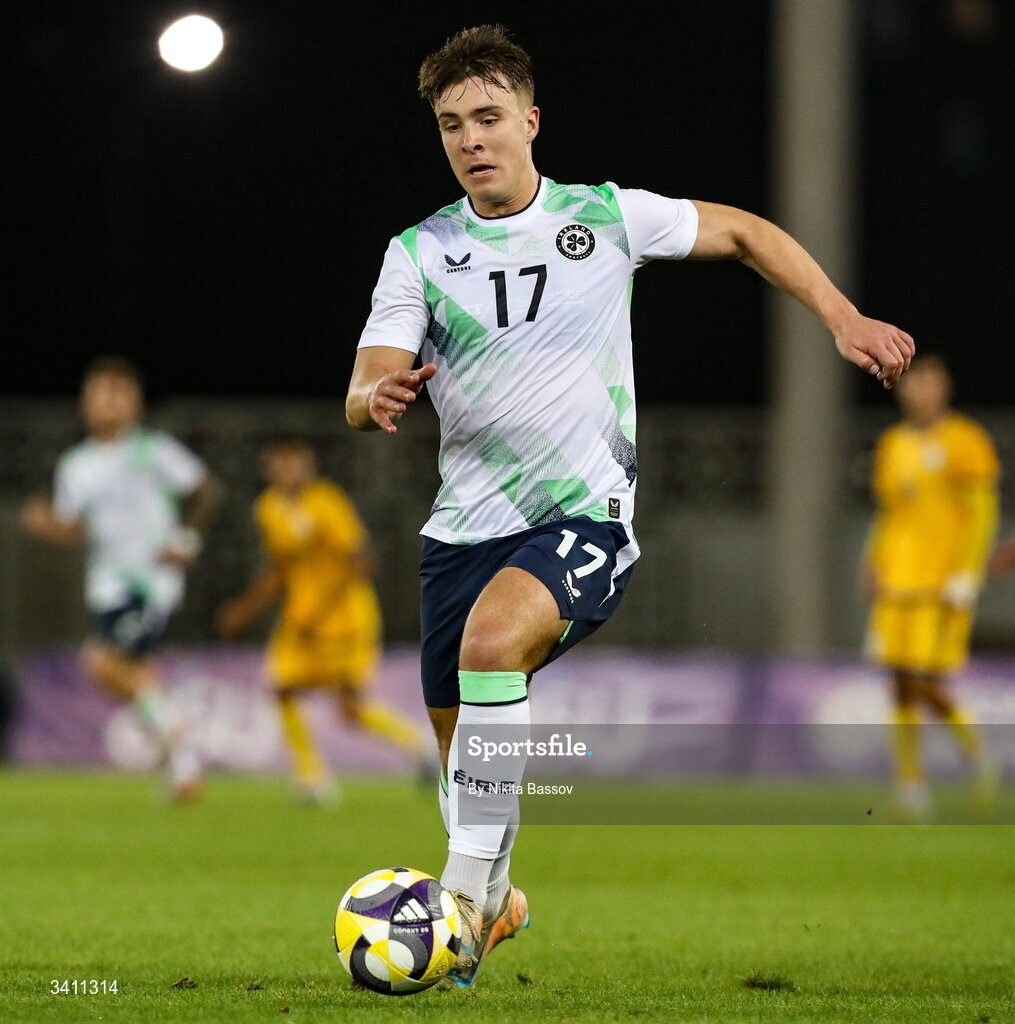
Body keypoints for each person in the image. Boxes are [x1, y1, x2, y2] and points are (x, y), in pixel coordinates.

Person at [344, 24, 915, 986]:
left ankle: (463, 902)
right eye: (450, 125)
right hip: (461, 531)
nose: (471, 139)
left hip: (583, 516)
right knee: (463, 761)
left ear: (529, 121)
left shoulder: (605, 216)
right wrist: (377, 397)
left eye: (487, 117)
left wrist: (841, 314)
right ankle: (498, 897)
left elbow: (746, 233)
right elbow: (364, 387)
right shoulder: (421, 251)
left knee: (492, 648)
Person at [21, 355, 221, 802]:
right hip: (106, 584)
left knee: (102, 662)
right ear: (85, 403)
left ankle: (178, 738)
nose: (108, 402)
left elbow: (205, 490)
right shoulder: (76, 465)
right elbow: (74, 529)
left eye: (118, 393)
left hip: (148, 582)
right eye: (99, 394)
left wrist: (186, 540)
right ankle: (182, 767)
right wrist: (46, 524)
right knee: (130, 671)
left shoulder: (152, 449)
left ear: (136, 403)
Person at [216, 436, 428, 804]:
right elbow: (279, 571)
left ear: (308, 465)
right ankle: (312, 778)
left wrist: (320, 610)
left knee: (351, 708)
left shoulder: (326, 502)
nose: (288, 470)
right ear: (268, 468)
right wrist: (245, 608)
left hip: (345, 620)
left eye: (294, 461)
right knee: (281, 688)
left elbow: (361, 562)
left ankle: (419, 746)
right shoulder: (268, 508)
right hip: (300, 622)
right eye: (280, 462)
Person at [861, 354, 1000, 820]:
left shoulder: (966, 441)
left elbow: (982, 514)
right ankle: (911, 787)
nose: (917, 390)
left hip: (940, 584)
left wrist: (968, 573)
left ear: (944, 388)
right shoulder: (894, 443)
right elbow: (889, 513)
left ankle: (977, 752)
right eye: (912, 382)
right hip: (897, 580)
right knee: (900, 683)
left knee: (926, 682)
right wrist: (873, 562)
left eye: (927, 381)